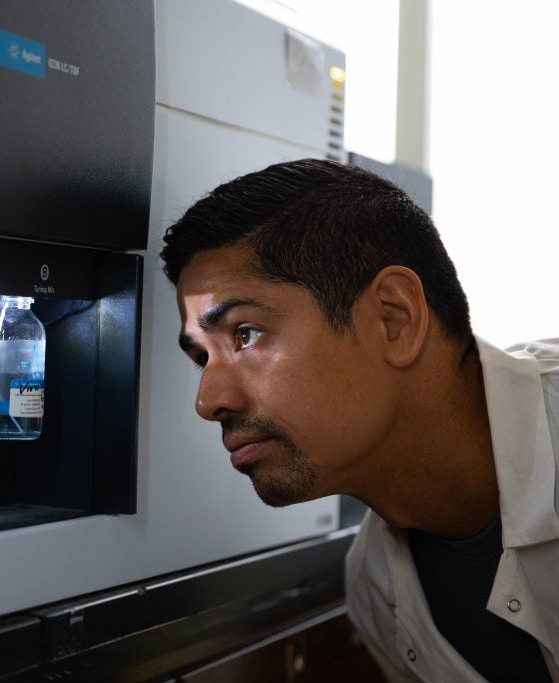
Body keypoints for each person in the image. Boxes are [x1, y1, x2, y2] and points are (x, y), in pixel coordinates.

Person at [159, 158, 559, 682]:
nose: (208, 400)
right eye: (201, 359)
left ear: (393, 319)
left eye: (245, 334)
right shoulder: (376, 587)